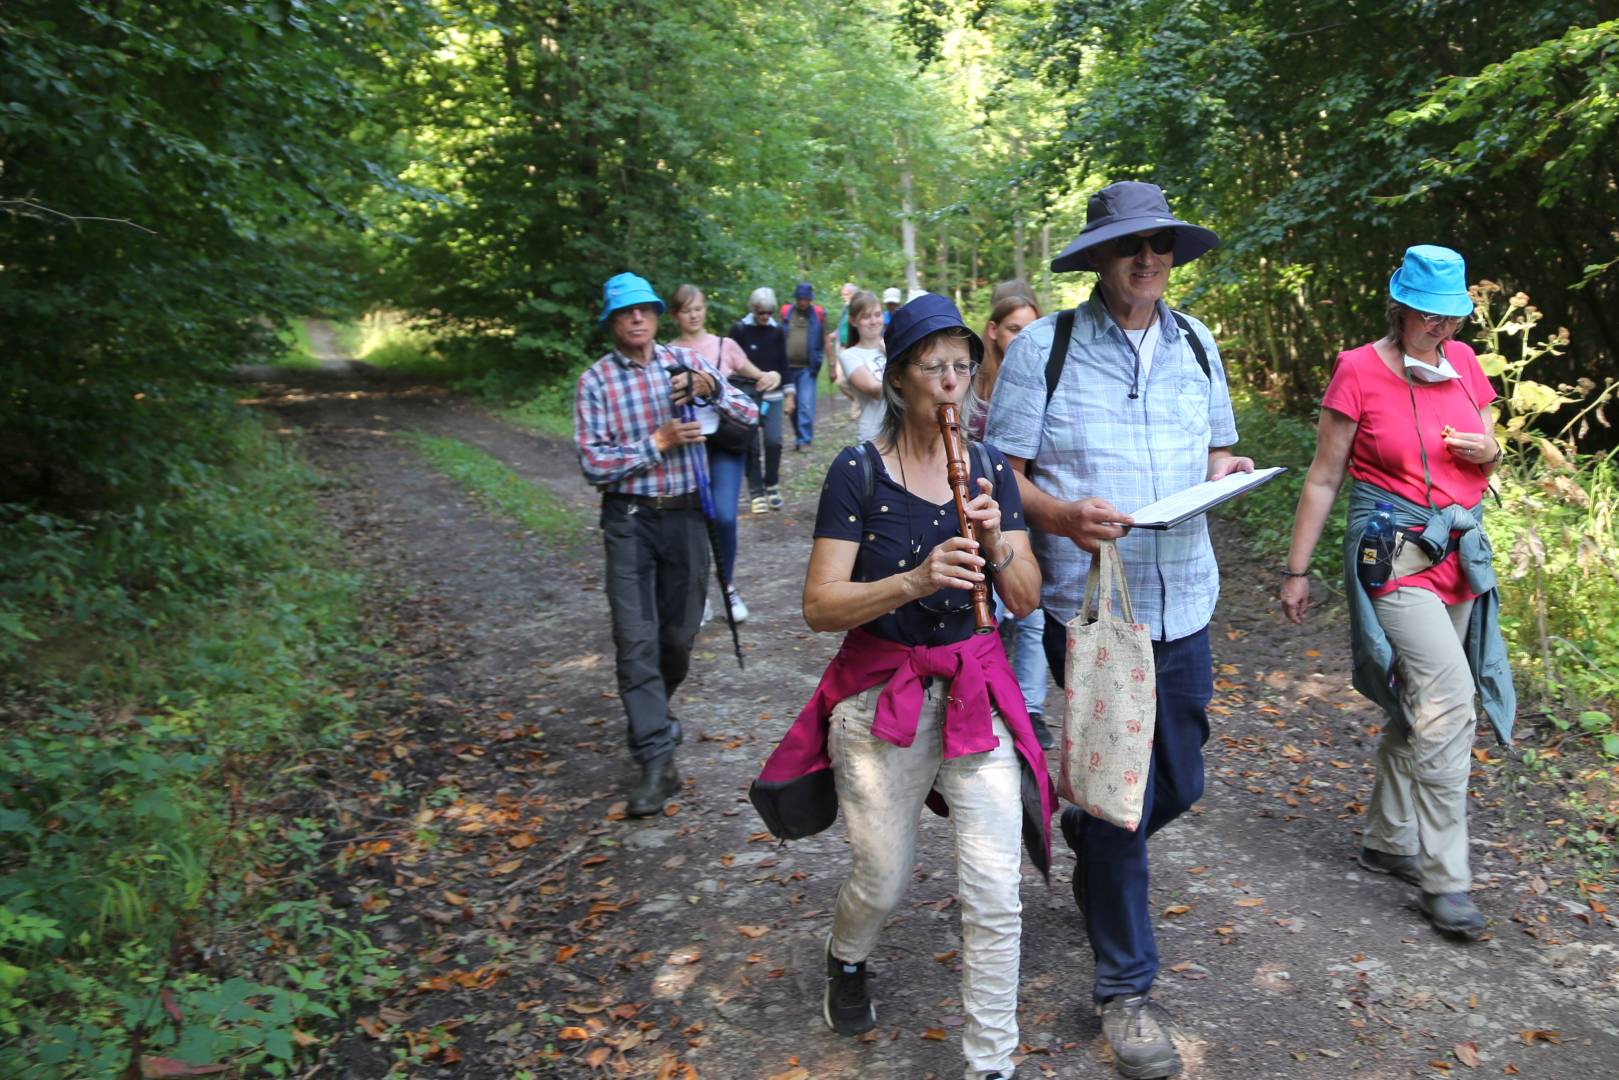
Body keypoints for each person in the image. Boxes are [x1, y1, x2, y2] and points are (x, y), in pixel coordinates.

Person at [983, 181, 1250, 1080]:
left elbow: (1215, 449)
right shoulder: (1045, 349)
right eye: (1129, 245)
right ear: (1098, 257)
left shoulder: (1197, 343)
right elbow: (999, 476)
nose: (1146, 259)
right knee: (1123, 797)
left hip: (1187, 595)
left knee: (1179, 779)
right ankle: (1125, 991)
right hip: (1093, 609)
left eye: (1159, 244)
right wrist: (1059, 518)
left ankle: (1090, 834)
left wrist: (1228, 471)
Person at [750, 293, 1053, 1080]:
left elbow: (1025, 600)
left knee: (994, 890)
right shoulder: (857, 472)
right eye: (933, 366)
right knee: (881, 882)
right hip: (881, 694)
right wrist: (915, 580)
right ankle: (846, 955)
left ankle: (990, 1062)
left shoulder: (988, 467)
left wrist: (996, 541)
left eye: (962, 365)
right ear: (897, 378)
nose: (951, 381)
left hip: (974, 689)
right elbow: (820, 606)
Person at [1280, 244, 1514, 942]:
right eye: (1429, 316)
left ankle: (1387, 839)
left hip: (1458, 554)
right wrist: (1296, 570)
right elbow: (1325, 476)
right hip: (1393, 557)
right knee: (1449, 699)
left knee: (1421, 705)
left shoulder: (1464, 363)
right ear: (1400, 308)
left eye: (1451, 317)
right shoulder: (1357, 369)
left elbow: (1489, 444)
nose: (1441, 329)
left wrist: (1490, 452)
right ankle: (1445, 878)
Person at [574, 272, 758, 817]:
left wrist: (712, 390)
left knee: (677, 637)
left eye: (645, 309)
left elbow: (748, 415)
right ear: (611, 321)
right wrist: (656, 442)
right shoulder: (596, 381)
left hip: (686, 517)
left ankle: (653, 713)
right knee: (635, 638)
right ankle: (656, 758)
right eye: (625, 312)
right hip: (628, 520)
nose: (636, 318)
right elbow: (593, 463)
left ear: (657, 316)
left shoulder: (686, 364)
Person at [670, 284, 782, 623]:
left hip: (725, 443)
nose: (693, 315)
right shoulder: (666, 353)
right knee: (691, 520)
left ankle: (727, 586)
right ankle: (699, 593)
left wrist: (773, 376)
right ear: (675, 315)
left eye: (698, 308)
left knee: (724, 516)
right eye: (686, 310)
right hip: (684, 446)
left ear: (705, 309)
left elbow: (759, 376)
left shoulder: (725, 346)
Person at [974, 289, 1051, 749]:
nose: (1023, 338)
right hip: (981, 509)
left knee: (1031, 608)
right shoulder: (973, 385)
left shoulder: (1044, 374)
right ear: (994, 331)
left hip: (1028, 506)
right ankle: (989, 694)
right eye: (1014, 329)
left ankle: (1032, 707)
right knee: (989, 606)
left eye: (1030, 329)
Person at [730, 288, 789, 513]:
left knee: (774, 441)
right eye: (761, 312)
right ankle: (756, 492)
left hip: (773, 396)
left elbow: (784, 363)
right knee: (751, 445)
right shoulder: (739, 330)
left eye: (769, 312)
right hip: (747, 396)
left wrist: (790, 394)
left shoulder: (778, 331)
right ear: (754, 310)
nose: (765, 316)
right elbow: (732, 362)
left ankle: (772, 484)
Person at [836, 289, 887, 443]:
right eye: (866, 316)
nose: (874, 321)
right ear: (853, 321)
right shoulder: (849, 355)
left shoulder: (896, 345)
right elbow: (875, 389)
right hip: (875, 437)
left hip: (908, 434)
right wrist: (894, 356)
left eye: (877, 314)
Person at [780, 282, 827, 451]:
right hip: (788, 368)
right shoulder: (787, 314)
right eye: (800, 298)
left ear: (810, 299)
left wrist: (822, 361)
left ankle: (805, 440)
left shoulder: (817, 316)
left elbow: (823, 340)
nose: (802, 302)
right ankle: (799, 436)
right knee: (793, 405)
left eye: (805, 299)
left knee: (806, 404)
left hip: (807, 367)